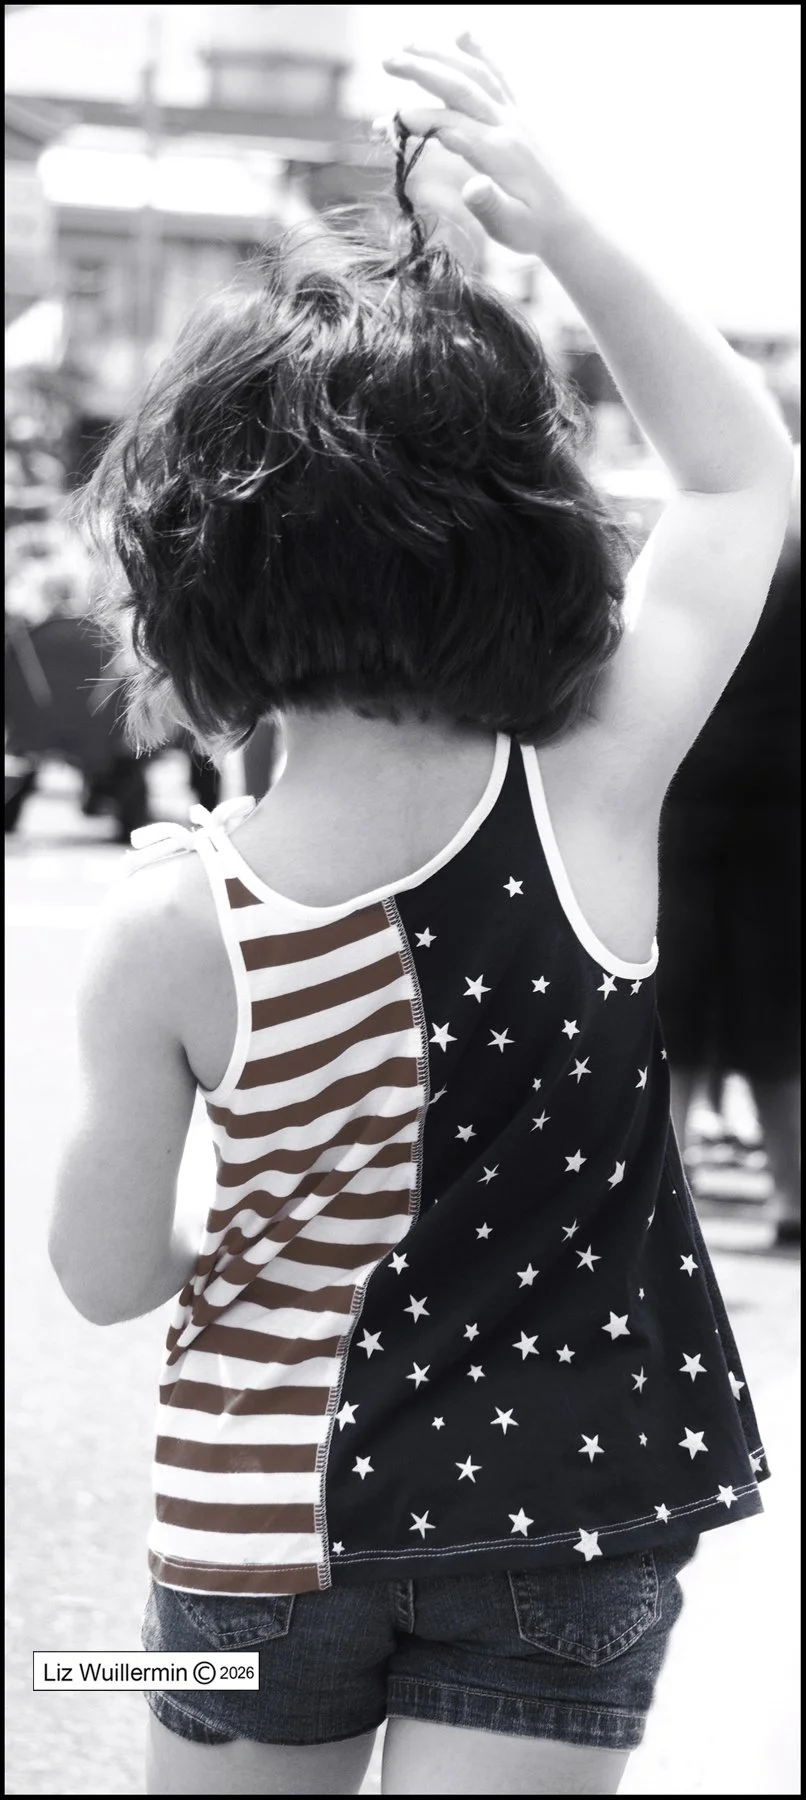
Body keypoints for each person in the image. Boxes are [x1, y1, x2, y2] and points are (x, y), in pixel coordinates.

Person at [48, 36, 793, 1799]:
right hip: (573, 1510)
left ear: (184, 565)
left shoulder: (172, 915)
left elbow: (101, 1276)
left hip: (254, 1530)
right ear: (538, 533)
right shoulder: (584, 788)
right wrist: (567, 239)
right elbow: (743, 477)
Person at [657, 451, 800, 1246]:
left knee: (676, 1003)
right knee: (776, 1016)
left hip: (686, 793)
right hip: (780, 810)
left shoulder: (695, 543)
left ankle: (669, 1186)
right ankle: (792, 1196)